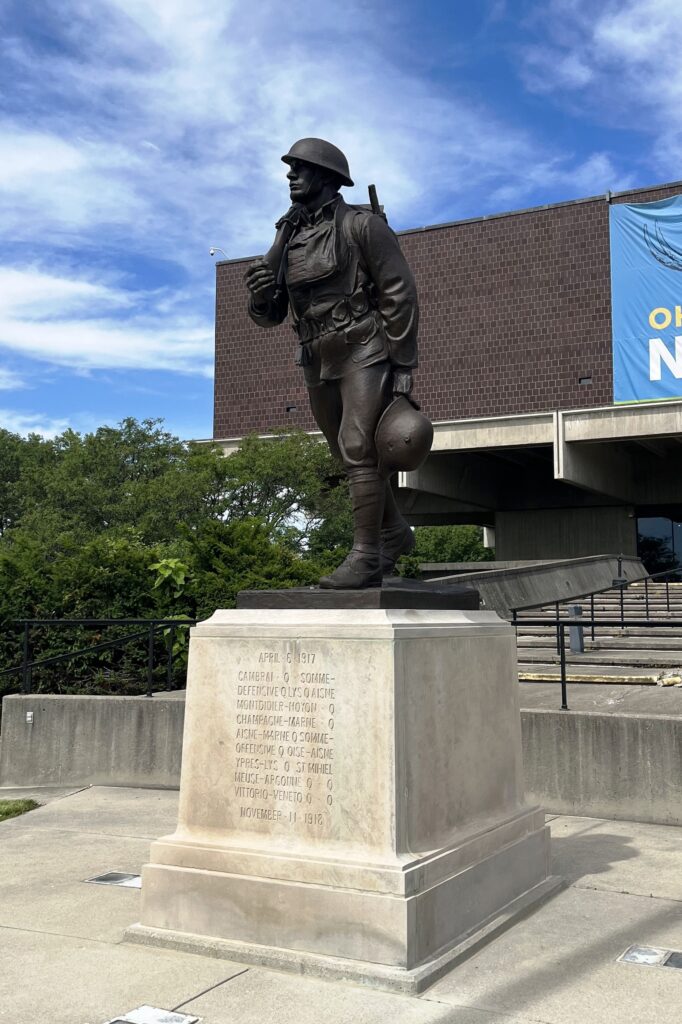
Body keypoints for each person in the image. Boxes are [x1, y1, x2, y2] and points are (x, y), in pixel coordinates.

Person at [245, 138, 420, 589]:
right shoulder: (288, 237)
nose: (290, 175)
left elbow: (399, 293)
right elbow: (272, 314)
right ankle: (395, 533)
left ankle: (365, 556)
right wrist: (263, 296)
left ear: (324, 176)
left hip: (364, 345)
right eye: (290, 169)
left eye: (299, 168)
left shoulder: (361, 226)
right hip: (315, 352)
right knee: (345, 454)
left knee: (359, 445)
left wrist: (402, 364)